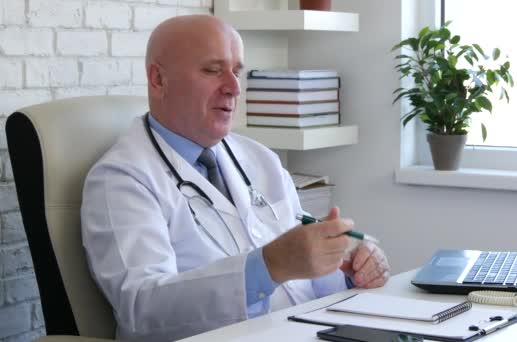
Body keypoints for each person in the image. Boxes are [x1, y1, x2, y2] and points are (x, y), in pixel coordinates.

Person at [81, 14, 390, 342]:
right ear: (158, 79)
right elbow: (142, 308)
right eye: (213, 70)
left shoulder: (259, 159)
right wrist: (268, 267)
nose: (234, 87)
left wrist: (350, 269)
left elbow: (304, 280)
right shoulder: (121, 179)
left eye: (236, 71)